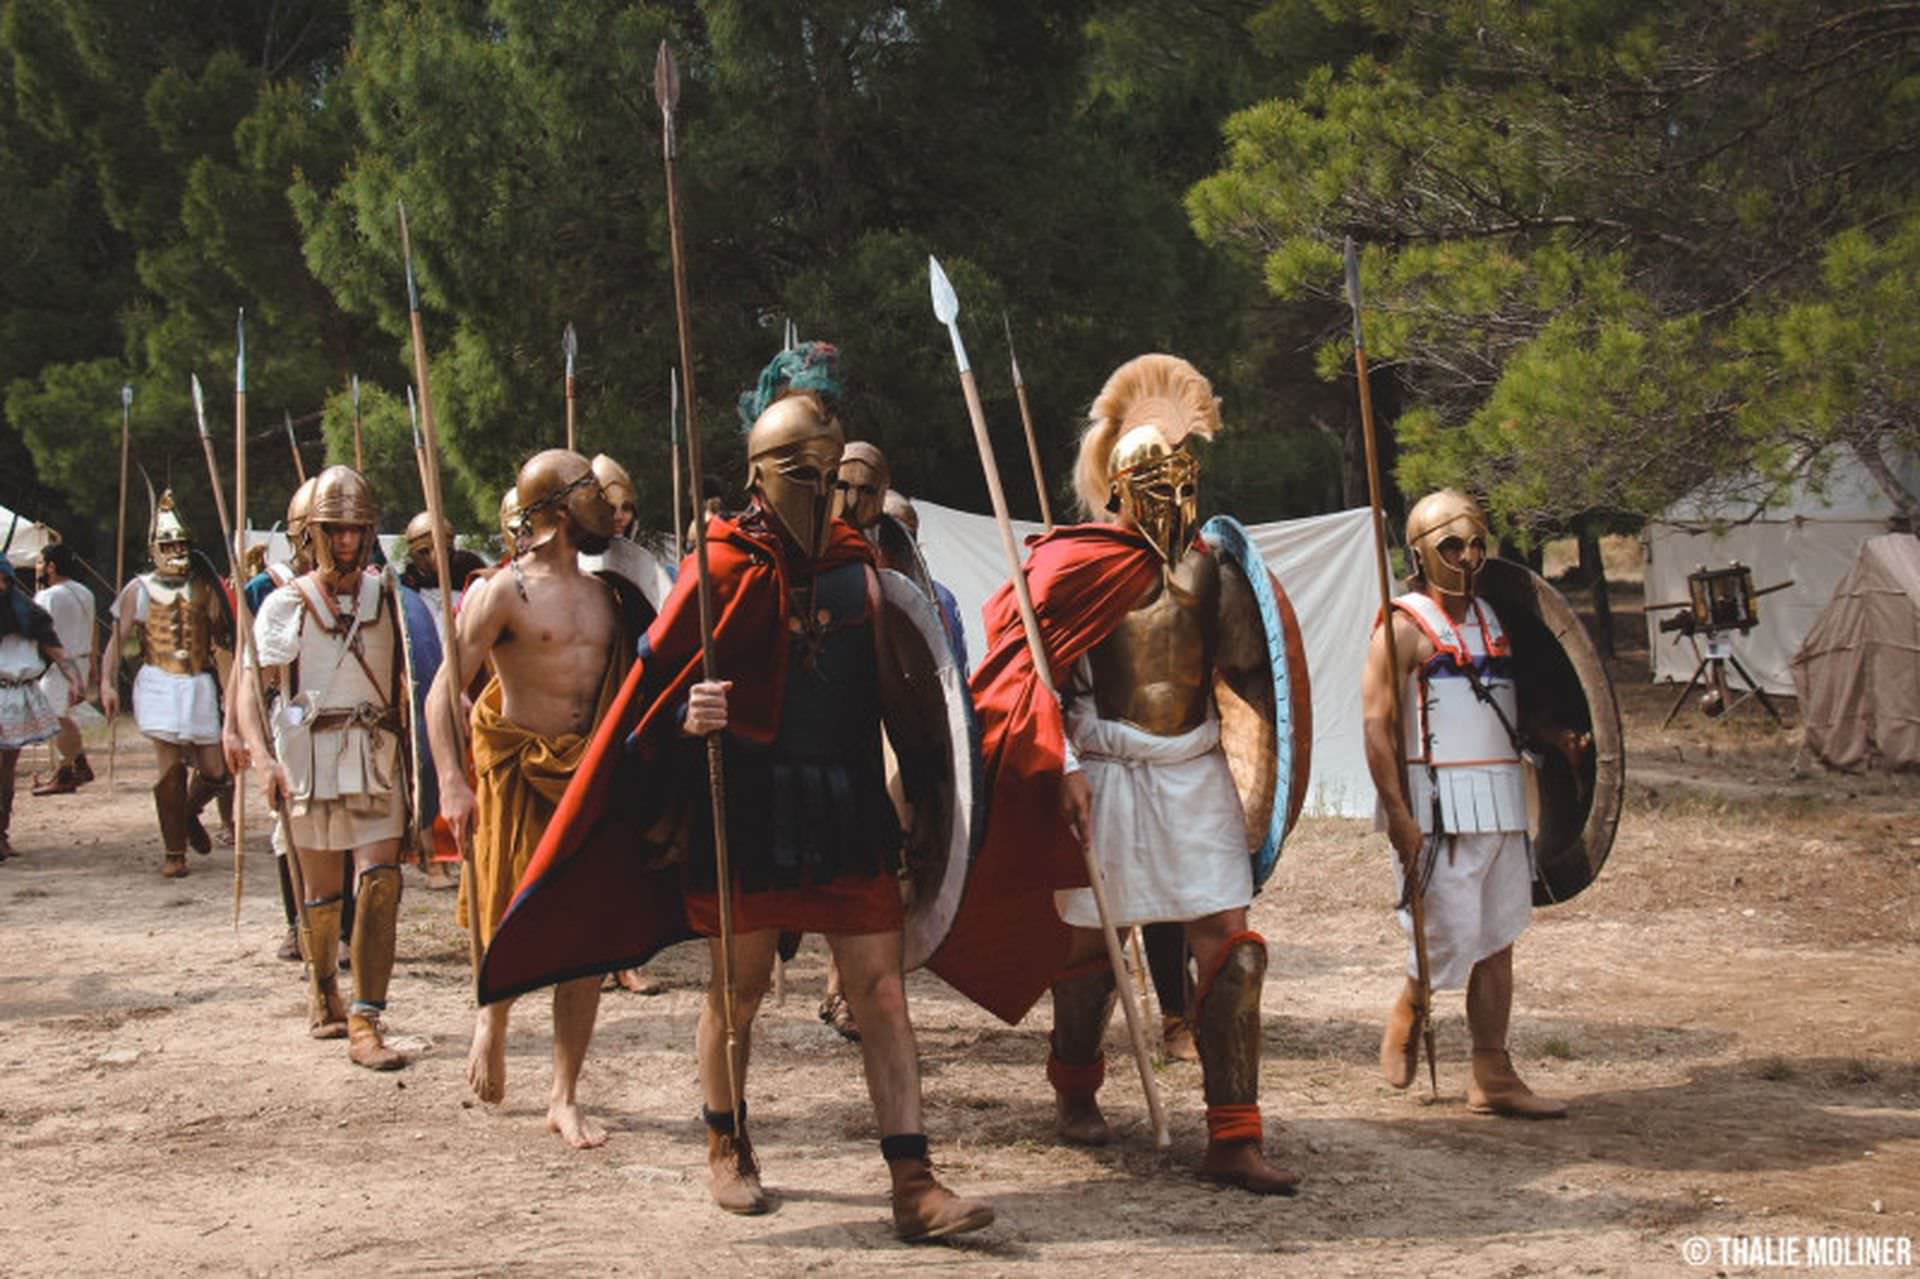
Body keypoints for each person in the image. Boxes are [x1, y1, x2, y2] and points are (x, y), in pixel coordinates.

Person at [478, 345, 993, 1242]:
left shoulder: (859, 569)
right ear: (762, 475)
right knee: (739, 986)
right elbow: (646, 705)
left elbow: (907, 696)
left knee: (880, 991)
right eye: (806, 472)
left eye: (835, 473)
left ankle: (913, 1180)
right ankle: (728, 1145)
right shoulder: (719, 569)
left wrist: (930, 808)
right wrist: (691, 713)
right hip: (745, 807)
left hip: (843, 806)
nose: (823, 489)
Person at [931, 354, 1299, 1194]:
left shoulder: (1213, 570)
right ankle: (1075, 1087)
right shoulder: (1076, 563)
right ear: (1123, 489)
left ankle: (1233, 1133)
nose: (1174, 494)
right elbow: (1031, 673)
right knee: (1092, 945)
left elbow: (1246, 683)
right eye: (1156, 480)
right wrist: (1059, 763)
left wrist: (1253, 788)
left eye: (1184, 475)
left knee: (1231, 951)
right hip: (1106, 769)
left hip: (1195, 769)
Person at [429, 448, 628, 1149]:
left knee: (587, 942)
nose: (600, 501)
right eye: (586, 491)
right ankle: (494, 1017)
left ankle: (565, 1095)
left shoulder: (611, 595)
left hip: (585, 779)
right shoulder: (501, 592)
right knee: (507, 914)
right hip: (518, 774)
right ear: (556, 505)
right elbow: (438, 696)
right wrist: (452, 779)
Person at [1363, 490, 1568, 1119]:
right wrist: (1397, 810)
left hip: (1501, 796)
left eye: (1477, 543)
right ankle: (1414, 1000)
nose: (1468, 556)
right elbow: (1376, 723)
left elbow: (1517, 701)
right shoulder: (1403, 625)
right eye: (1452, 545)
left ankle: (1492, 1071)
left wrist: (1557, 737)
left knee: (1499, 935)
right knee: (1446, 931)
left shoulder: (1501, 619)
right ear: (1423, 552)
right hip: (1438, 802)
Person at [235, 466, 416, 1072]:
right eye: (334, 530)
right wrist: (261, 757)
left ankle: (367, 1019)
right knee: (321, 893)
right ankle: (324, 993)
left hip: (375, 753)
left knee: (381, 882)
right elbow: (247, 686)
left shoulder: (390, 598)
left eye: (357, 530)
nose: (347, 541)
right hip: (308, 758)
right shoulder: (285, 603)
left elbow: (418, 676)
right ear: (310, 534)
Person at [100, 492, 233, 878]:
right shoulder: (138, 589)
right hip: (159, 680)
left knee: (215, 772)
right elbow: (117, 638)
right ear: (154, 548)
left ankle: (187, 813)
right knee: (170, 767)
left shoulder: (205, 586)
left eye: (180, 543)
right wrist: (107, 684)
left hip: (197, 681)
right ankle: (175, 853)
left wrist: (230, 690)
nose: (176, 550)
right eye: (168, 544)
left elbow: (222, 640)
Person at [2, 557, 85, 859]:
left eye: (2, 580)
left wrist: (75, 679)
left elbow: (57, 652)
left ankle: (1, 832)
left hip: (13, 695)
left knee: (5, 769)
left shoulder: (28, 614)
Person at [29, 543, 97, 795]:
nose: (36, 567)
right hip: (80, 658)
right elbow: (93, 630)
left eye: (39, 562)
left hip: (59, 665)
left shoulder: (48, 596)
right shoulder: (86, 592)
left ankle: (67, 771)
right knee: (61, 715)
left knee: (55, 718)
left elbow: (37, 631)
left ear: (51, 566)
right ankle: (79, 764)